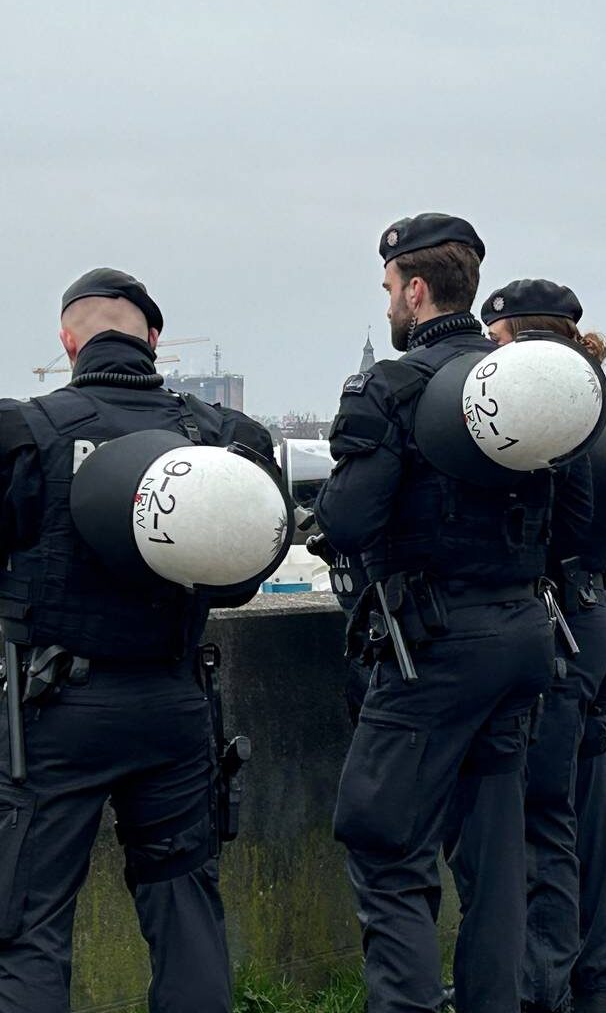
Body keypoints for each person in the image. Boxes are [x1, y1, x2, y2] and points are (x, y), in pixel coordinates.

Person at [0, 268, 274, 1012]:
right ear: (153, 339)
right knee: (184, 907)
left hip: (52, 711)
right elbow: (246, 574)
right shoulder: (221, 435)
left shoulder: (25, 431)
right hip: (172, 701)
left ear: (67, 342)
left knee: (26, 923)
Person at [314, 214, 556, 1013]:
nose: (387, 303)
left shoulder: (394, 386)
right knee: (493, 851)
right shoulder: (521, 382)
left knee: (384, 841)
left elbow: (346, 522)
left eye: (389, 288)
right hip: (522, 630)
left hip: (435, 642)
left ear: (415, 290)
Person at [479, 279, 606, 1013]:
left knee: (544, 814)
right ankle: (596, 976)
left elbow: (562, 522)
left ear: (513, 335)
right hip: (599, 610)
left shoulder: (548, 407)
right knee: (588, 803)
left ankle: (543, 990)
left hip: (561, 619)